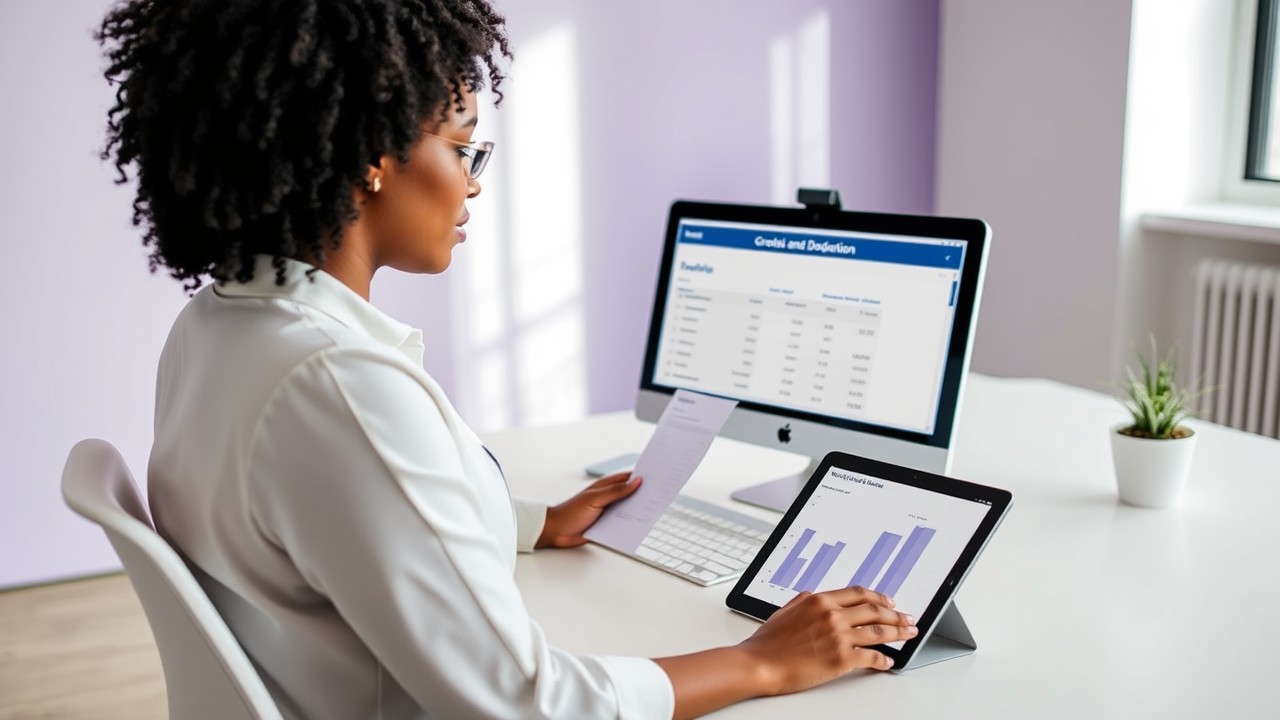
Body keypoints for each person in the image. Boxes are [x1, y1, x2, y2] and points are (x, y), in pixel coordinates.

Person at [96, 1, 918, 718]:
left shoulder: (218, 325)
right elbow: (527, 705)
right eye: (463, 150)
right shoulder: (336, 385)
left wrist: (530, 522)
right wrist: (763, 662)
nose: (474, 185)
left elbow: (337, 514)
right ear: (371, 159)